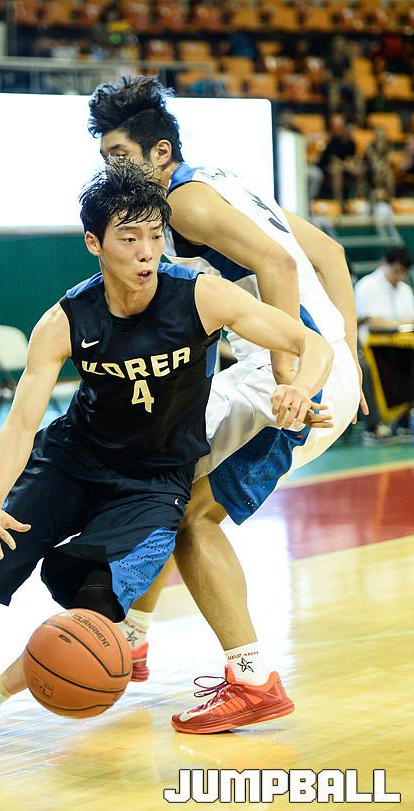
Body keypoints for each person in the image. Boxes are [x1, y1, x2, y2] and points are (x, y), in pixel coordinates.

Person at [0, 159, 333, 753]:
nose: (146, 252)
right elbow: (22, 422)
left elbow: (310, 343)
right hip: (73, 461)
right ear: (94, 243)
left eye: (155, 236)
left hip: (153, 484)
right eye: (129, 238)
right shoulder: (66, 319)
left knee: (97, 613)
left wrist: (299, 386)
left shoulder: (200, 296)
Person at [86, 76, 364, 733]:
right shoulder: (225, 180)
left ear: (160, 153)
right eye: (105, 161)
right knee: (168, 484)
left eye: (121, 157)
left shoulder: (183, 203)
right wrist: (344, 357)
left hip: (287, 377)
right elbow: (330, 253)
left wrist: (293, 377)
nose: (114, 172)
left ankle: (251, 680)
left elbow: (280, 265)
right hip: (314, 366)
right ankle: (133, 638)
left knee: (186, 514)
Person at [355, 246, 414, 443]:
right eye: (396, 270)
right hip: (371, 347)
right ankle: (374, 425)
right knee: (372, 367)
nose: (400, 276)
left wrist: (393, 323)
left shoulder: (405, 290)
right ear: (384, 264)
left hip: (401, 345)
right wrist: (398, 323)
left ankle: (404, 421)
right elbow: (373, 322)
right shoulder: (367, 286)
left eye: (403, 272)